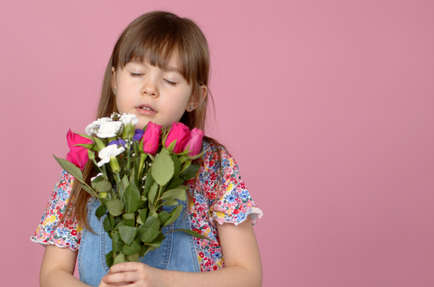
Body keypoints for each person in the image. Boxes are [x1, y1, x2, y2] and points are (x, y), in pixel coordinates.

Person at [30, 10, 264, 287]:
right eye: (137, 73)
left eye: (171, 80)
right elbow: (52, 274)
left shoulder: (212, 165)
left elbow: (248, 276)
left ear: (195, 97)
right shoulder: (88, 162)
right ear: (115, 80)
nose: (150, 88)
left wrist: (161, 281)